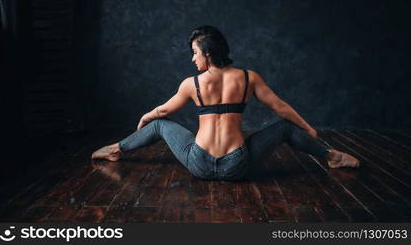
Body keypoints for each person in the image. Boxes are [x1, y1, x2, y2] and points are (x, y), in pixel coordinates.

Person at [92, 26, 360, 181]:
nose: (193, 59)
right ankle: (331, 156)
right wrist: (308, 128)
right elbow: (281, 108)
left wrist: (146, 117)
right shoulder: (248, 78)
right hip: (237, 165)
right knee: (286, 128)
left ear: (208, 53)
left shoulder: (192, 83)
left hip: (199, 163)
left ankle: (116, 149)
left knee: (160, 124)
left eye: (195, 53)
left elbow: (164, 111)